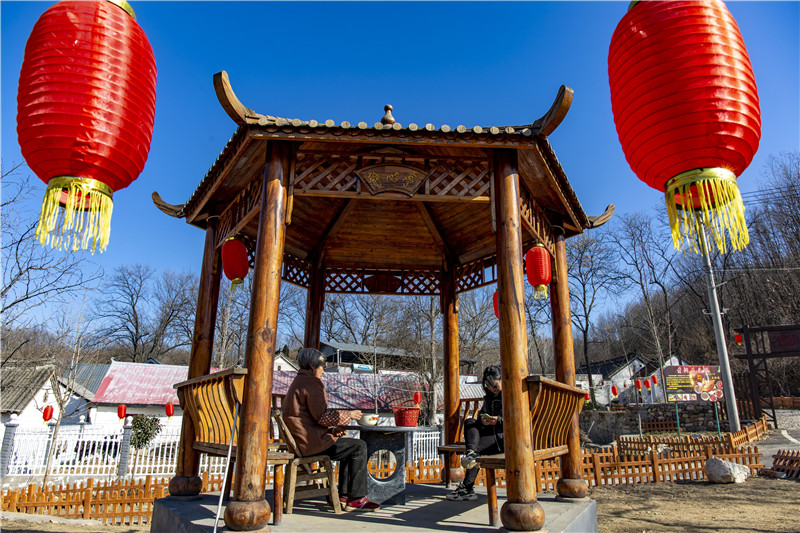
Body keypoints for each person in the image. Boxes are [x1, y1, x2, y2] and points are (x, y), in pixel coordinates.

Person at [282, 347, 381, 512]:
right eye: (322, 366)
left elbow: (310, 418)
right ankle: (356, 498)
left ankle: (344, 496)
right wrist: (348, 415)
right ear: (312, 366)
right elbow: (321, 416)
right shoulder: (312, 383)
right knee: (359, 446)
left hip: (302, 442)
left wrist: (332, 431)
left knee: (349, 447)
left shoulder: (298, 381)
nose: (323, 370)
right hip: (310, 445)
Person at [447, 365, 504, 501]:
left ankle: (467, 487)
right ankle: (471, 453)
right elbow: (480, 418)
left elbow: (516, 419)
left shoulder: (510, 396)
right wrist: (484, 420)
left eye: (495, 386)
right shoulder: (489, 397)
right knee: (470, 422)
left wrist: (499, 420)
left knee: (475, 452)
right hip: (489, 436)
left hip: (502, 439)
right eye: (488, 386)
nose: (491, 389)